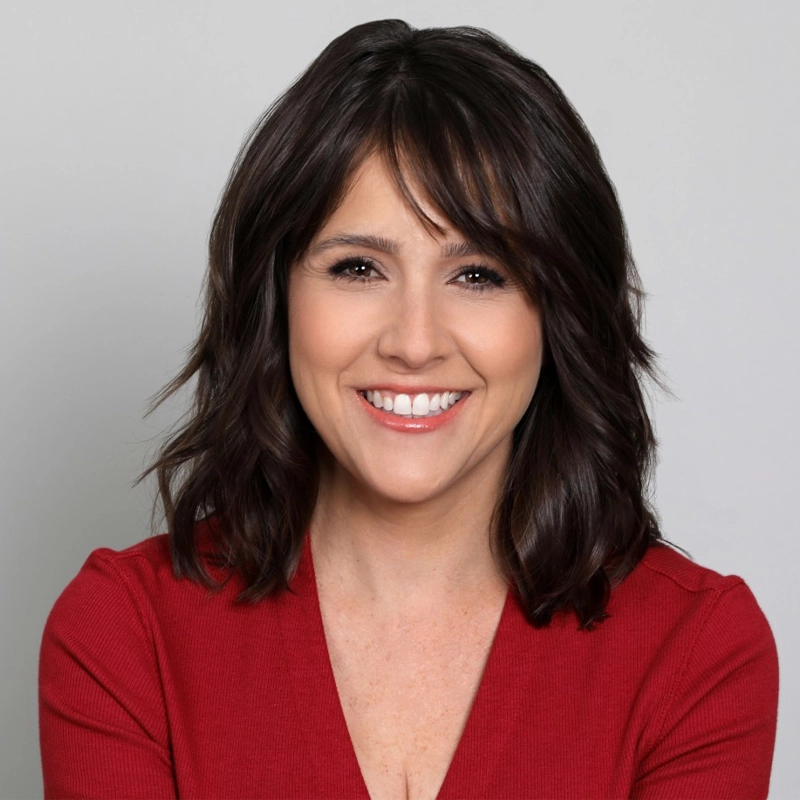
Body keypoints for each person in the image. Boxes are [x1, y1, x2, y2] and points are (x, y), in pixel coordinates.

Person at [38, 19, 778, 800]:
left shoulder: (696, 654)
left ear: (559, 314)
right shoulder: (125, 637)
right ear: (275, 296)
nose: (415, 343)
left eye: (480, 275)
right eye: (358, 268)